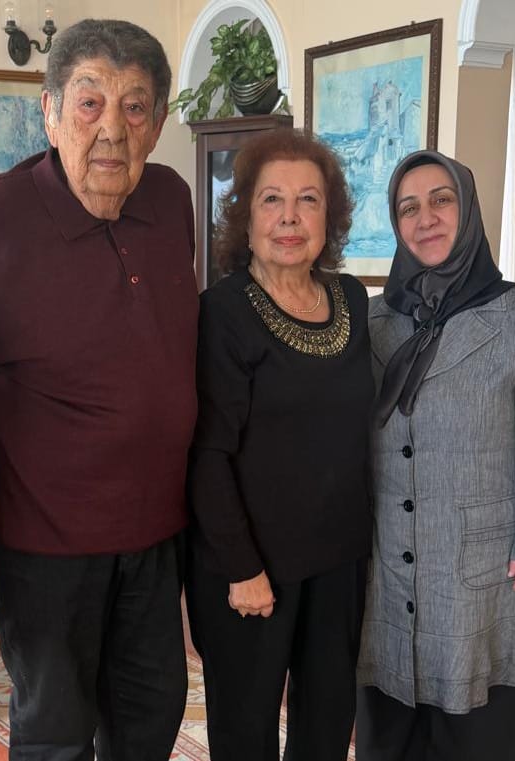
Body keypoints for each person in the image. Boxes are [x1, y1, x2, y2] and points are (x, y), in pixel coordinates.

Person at [0, 19, 196, 761]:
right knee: (56, 734)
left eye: (135, 107)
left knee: (151, 717)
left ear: (158, 124)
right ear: (49, 112)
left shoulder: (171, 199)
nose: (112, 129)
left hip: (156, 536)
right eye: (89, 102)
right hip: (44, 548)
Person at [355, 150, 515, 761]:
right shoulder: (374, 319)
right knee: (387, 734)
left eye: (441, 200)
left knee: (473, 736)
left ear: (468, 210)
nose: (425, 218)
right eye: (408, 208)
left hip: (480, 565)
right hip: (386, 561)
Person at [185, 128, 374, 761]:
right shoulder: (222, 312)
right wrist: (242, 569)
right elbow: (207, 453)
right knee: (246, 738)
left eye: (308, 200)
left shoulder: (353, 300)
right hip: (251, 572)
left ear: (330, 216)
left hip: (340, 565)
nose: (290, 218)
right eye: (272, 200)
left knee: (327, 731)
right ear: (246, 217)